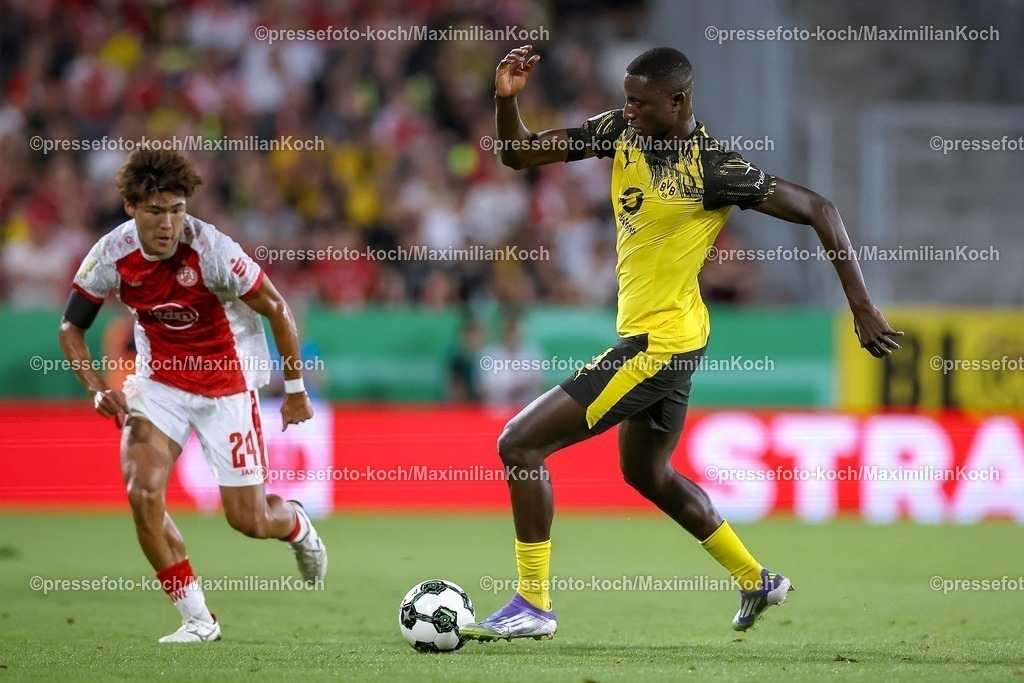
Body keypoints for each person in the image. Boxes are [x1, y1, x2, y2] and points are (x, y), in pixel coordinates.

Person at [461, 46, 903, 641]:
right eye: (627, 100)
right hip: (672, 338)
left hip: (658, 344)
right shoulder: (622, 130)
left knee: (518, 445)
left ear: (679, 101)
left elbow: (820, 208)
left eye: (642, 104)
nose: (630, 112)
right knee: (648, 475)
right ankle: (755, 579)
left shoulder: (713, 168)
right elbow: (516, 154)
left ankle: (533, 604)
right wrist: (506, 100)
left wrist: (862, 307)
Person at [57, 149, 327, 643]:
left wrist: (294, 391)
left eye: (177, 210)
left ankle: (295, 524)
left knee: (248, 520)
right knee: (143, 494)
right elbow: (71, 327)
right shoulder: (111, 255)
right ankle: (198, 619)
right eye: (156, 211)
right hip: (159, 382)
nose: (168, 223)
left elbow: (279, 310)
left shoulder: (213, 250)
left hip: (227, 384)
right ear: (130, 208)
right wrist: (97, 391)